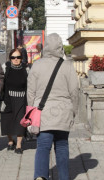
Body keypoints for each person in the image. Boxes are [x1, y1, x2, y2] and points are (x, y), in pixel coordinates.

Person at [27, 33, 78, 180]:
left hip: (42, 112)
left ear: (46, 47)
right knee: (62, 146)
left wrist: (31, 111)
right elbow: (74, 91)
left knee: (43, 146)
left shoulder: (36, 65)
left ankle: (40, 176)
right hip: (63, 111)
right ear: (60, 47)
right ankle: (63, 177)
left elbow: (30, 92)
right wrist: (73, 111)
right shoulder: (68, 66)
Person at [0, 48, 28, 154]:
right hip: (8, 98)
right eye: (13, 57)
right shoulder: (5, 67)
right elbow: (0, 79)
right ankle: (11, 141)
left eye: (18, 57)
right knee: (8, 120)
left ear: (21, 58)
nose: (16, 59)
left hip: (22, 99)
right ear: (10, 58)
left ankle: (19, 145)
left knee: (21, 122)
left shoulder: (26, 69)